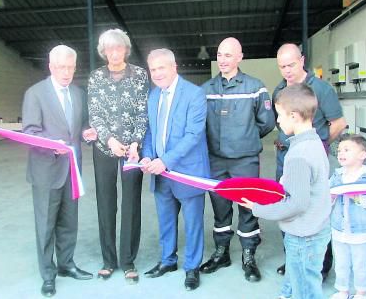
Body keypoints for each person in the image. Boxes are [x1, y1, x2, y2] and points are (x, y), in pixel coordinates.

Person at [241, 83, 331, 299]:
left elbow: (297, 204)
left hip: (303, 236)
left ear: (294, 116)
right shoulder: (314, 141)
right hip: (317, 228)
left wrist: (258, 209)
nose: (277, 120)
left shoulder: (299, 155)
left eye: (279, 115)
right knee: (300, 274)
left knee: (307, 290)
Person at [200, 37, 275, 282]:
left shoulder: (255, 87)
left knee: (248, 207)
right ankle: (221, 252)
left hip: (245, 160)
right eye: (220, 55)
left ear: (240, 57)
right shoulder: (207, 89)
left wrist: (245, 139)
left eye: (228, 55)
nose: (222, 60)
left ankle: (248, 254)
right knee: (220, 209)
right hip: (216, 161)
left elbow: (266, 122)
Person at [22, 45, 93, 297]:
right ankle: (48, 274)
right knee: (45, 224)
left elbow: (80, 126)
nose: (66, 72)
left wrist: (87, 132)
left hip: (72, 170)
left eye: (70, 67)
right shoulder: (35, 94)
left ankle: (66, 264)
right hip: (46, 172)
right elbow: (30, 132)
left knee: (68, 222)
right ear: (51, 67)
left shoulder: (78, 93)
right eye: (61, 67)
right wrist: (54, 147)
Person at [273, 43, 346, 279]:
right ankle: (293, 260)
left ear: (302, 60)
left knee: (315, 211)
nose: (287, 70)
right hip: (285, 158)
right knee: (287, 207)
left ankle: (320, 266)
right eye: (282, 66)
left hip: (311, 160)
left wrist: (318, 145)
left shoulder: (321, 89)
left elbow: (338, 123)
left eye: (291, 64)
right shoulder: (280, 90)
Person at [141, 48, 210, 291]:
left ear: (174, 67)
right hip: (161, 174)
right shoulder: (153, 96)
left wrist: (166, 160)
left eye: (162, 68)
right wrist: (147, 154)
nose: (157, 74)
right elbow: (150, 131)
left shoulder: (195, 94)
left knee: (193, 223)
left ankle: (191, 267)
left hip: (187, 172)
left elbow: (193, 135)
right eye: (153, 69)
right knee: (166, 221)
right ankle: (168, 260)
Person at [87, 28, 149, 284]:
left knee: (131, 204)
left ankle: (128, 260)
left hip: (132, 152)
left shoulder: (140, 75)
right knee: (106, 203)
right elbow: (95, 114)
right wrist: (110, 140)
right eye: (109, 49)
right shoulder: (95, 77)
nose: (114, 53)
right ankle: (108, 260)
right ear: (104, 52)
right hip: (104, 149)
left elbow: (143, 112)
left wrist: (135, 142)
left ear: (125, 48)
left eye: (118, 47)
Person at [329, 134, 366, 299]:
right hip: (339, 228)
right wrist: (330, 196)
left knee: (360, 264)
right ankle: (342, 290)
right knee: (341, 263)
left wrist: (358, 198)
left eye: (347, 150)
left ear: (362, 155)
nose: (341, 153)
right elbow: (327, 195)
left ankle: (361, 293)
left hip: (362, 231)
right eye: (339, 150)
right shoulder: (337, 175)